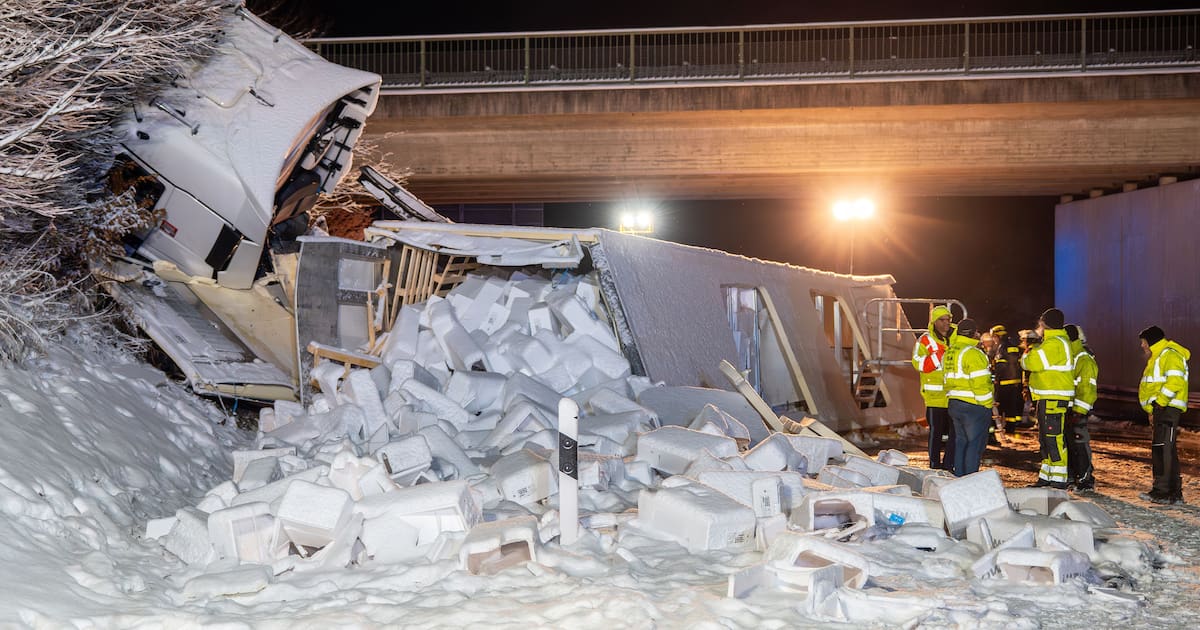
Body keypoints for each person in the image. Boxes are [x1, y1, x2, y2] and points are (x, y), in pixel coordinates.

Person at [1019, 308, 1074, 488]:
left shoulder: (1054, 343)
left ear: (1044, 323)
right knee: (1046, 439)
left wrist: (1027, 355)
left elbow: (1030, 363)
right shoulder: (1053, 342)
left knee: (1053, 438)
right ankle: (1047, 477)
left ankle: (1058, 480)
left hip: (1053, 397)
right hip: (1048, 397)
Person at [1136, 326, 1191, 504]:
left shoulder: (1169, 355)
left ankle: (1162, 492)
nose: (1142, 346)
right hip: (1162, 409)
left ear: (1151, 341)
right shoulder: (1159, 356)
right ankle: (1173, 493)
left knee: (1162, 450)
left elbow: (1176, 381)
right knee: (1166, 449)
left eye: (1143, 342)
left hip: (1166, 409)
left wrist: (1160, 402)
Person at [944, 319, 994, 476]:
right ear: (973, 333)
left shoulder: (950, 352)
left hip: (954, 403)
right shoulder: (973, 353)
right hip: (974, 405)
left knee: (961, 443)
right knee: (974, 445)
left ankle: (960, 479)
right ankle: (971, 481)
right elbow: (981, 383)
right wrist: (987, 404)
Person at [912, 305, 957, 471]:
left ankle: (949, 464)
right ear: (934, 322)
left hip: (954, 393)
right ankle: (934, 465)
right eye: (942, 320)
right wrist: (939, 356)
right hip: (935, 396)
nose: (946, 323)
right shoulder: (925, 340)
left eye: (948, 320)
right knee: (936, 433)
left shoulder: (957, 337)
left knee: (954, 433)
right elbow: (918, 363)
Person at [1065, 324, 1098, 492]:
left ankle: (1086, 479)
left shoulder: (1083, 358)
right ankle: (1075, 476)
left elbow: (1088, 388)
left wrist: (1079, 411)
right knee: (1071, 444)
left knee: (1080, 444)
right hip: (1070, 410)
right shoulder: (1073, 356)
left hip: (1077, 411)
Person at [990, 325, 1025, 435]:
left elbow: (1001, 365)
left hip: (1005, 382)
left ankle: (997, 426)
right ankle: (1011, 427)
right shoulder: (1014, 346)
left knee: (1001, 405)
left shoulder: (1002, 347)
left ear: (997, 336)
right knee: (1011, 406)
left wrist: (996, 378)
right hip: (1016, 382)